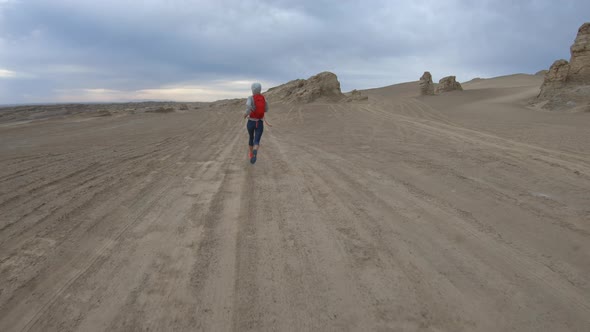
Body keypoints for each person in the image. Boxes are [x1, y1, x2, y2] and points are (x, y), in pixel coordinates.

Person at [244, 82, 270, 164]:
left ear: (252, 89)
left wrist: (246, 114)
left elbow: (248, 106)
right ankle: (255, 150)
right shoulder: (263, 98)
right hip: (259, 123)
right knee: (257, 140)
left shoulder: (250, 98)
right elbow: (266, 109)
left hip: (251, 122)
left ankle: (251, 154)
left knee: (251, 137)